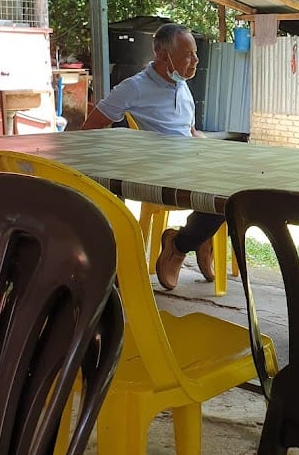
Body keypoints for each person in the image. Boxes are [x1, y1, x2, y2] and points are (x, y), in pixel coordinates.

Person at [82, 22, 223, 290]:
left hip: (188, 162)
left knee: (235, 187)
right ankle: (181, 246)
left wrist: (210, 150)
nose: (195, 60)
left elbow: (189, 130)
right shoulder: (134, 87)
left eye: (195, 53)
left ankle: (196, 237)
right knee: (223, 193)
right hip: (158, 170)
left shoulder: (182, 85)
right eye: (187, 55)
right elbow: (91, 128)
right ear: (162, 55)